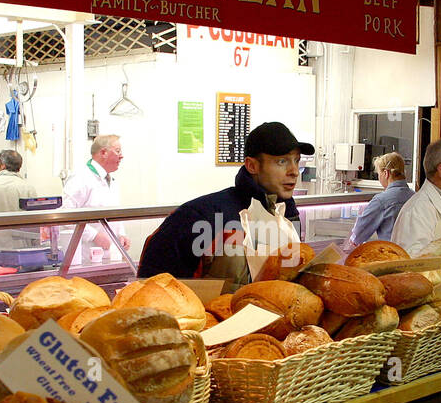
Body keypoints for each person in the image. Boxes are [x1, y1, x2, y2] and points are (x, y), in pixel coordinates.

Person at [139, 122, 313, 290]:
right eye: (281, 162)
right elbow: (151, 289)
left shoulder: (287, 216)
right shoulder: (201, 217)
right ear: (252, 165)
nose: (294, 171)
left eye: (296, 161)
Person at [59, 134, 130, 267]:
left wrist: (122, 234)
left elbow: (114, 213)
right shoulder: (80, 179)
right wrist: (94, 236)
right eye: (118, 151)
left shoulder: (110, 180)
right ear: (103, 152)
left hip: (111, 257)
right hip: (86, 260)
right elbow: (66, 216)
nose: (121, 156)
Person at [347, 151, 414, 247]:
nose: (379, 178)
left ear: (386, 173)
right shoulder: (415, 196)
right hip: (416, 257)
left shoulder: (382, 201)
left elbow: (358, 236)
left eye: (379, 174)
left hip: (393, 257)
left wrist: (352, 241)